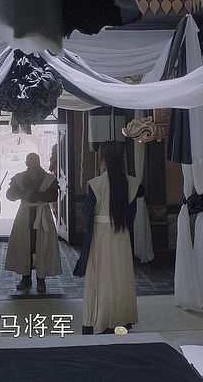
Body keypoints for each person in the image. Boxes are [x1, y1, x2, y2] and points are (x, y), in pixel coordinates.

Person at [74, 140, 144, 334]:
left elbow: (88, 212)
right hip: (121, 235)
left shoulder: (96, 184)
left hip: (101, 235)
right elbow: (132, 213)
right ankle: (122, 318)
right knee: (120, 275)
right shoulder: (132, 183)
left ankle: (98, 320)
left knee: (101, 276)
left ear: (103, 160)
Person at [4, 152, 62, 293]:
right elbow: (10, 194)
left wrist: (34, 195)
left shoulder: (48, 178)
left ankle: (41, 279)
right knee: (24, 245)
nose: (34, 165)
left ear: (39, 162)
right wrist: (22, 194)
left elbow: (53, 195)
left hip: (43, 216)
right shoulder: (19, 178)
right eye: (31, 162)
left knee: (42, 246)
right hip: (24, 215)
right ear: (26, 163)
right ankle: (26, 277)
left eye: (36, 162)